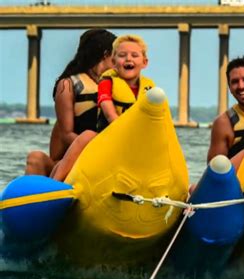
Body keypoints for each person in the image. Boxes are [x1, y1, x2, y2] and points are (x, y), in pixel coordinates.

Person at [51, 34, 154, 181]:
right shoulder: (73, 84)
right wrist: (104, 143)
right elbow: (67, 133)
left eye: (134, 55)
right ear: (110, 56)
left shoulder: (141, 87)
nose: (127, 59)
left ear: (144, 62)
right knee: (87, 135)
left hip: (123, 144)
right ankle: (55, 185)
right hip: (92, 144)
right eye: (120, 54)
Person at [25, 29, 117, 176]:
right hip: (71, 160)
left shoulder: (117, 85)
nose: (120, 61)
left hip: (107, 158)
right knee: (35, 158)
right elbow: (66, 134)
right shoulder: (68, 85)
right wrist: (97, 149)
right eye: (116, 55)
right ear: (106, 54)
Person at [207, 56, 244, 162]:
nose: (241, 86)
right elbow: (214, 172)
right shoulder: (223, 123)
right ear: (229, 87)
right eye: (235, 82)